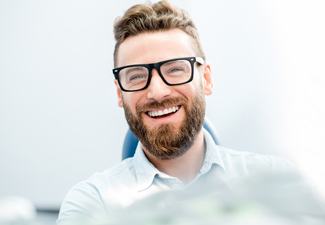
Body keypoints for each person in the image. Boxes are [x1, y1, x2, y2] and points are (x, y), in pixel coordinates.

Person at [57, 1, 293, 224]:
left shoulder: (275, 182)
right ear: (120, 94)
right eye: (137, 76)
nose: (157, 92)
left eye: (175, 69)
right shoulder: (93, 202)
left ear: (207, 79)